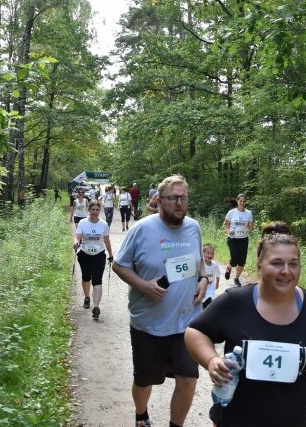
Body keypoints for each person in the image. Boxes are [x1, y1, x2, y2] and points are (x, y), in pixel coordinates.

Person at [185, 222, 306, 427]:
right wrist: (211, 361)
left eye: (293, 263)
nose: (286, 271)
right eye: (277, 263)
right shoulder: (235, 301)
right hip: (236, 420)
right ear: (260, 267)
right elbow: (195, 332)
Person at [112, 175, 209, 427]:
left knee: (188, 379)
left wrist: (203, 279)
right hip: (149, 323)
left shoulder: (193, 227)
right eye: (172, 198)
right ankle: (141, 414)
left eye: (183, 198)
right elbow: (119, 265)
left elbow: (199, 263)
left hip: (187, 322)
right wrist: (144, 285)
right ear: (159, 200)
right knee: (144, 381)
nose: (178, 203)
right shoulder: (142, 229)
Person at [74, 201, 113, 320]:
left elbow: (106, 240)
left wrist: (110, 254)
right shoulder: (83, 222)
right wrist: (76, 243)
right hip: (85, 254)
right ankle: (87, 297)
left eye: (97, 210)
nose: (95, 212)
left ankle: (96, 307)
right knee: (86, 277)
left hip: (99, 254)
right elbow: (77, 236)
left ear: (99, 210)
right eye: (93, 210)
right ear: (89, 210)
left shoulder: (104, 224)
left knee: (97, 280)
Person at [223, 193, 254, 287]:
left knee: (241, 261)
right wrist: (228, 231)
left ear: (245, 202)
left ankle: (236, 279)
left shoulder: (248, 213)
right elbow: (225, 224)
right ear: (237, 201)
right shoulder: (231, 212)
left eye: (244, 201)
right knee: (234, 260)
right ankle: (229, 268)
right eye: (240, 201)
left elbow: (250, 227)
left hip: (244, 239)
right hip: (233, 239)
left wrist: (250, 227)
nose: (242, 203)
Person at [201, 243, 221, 309]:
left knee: (210, 297)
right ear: (203, 254)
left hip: (210, 286)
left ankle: (205, 307)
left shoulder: (214, 265)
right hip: (202, 286)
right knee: (201, 298)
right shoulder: (201, 265)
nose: (210, 255)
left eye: (212, 253)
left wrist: (217, 283)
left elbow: (218, 274)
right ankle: (202, 307)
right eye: (208, 253)